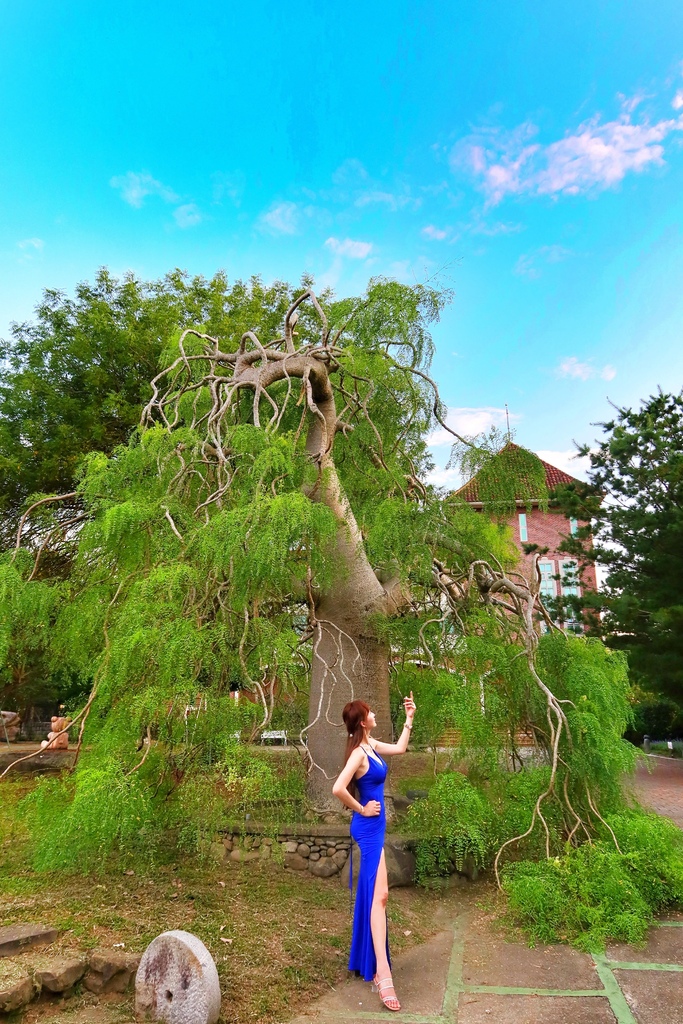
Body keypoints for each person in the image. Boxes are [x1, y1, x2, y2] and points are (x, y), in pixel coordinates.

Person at [332, 692, 416, 1013]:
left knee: (374, 895)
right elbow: (339, 788)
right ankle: (382, 972)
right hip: (367, 829)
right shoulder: (357, 754)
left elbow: (401, 748)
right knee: (380, 895)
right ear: (362, 721)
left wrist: (408, 720)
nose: (374, 714)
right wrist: (362, 809)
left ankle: (365, 959)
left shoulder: (371, 745)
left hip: (376, 828)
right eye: (370, 712)